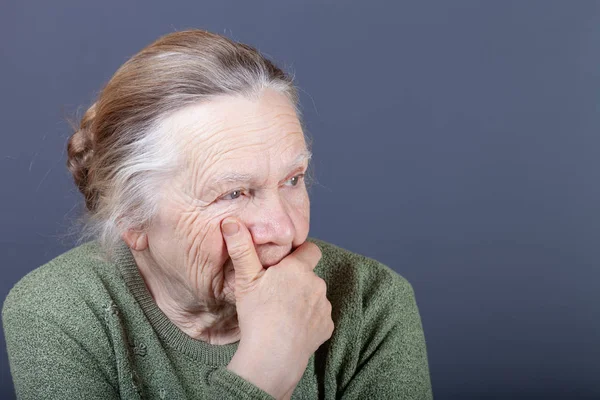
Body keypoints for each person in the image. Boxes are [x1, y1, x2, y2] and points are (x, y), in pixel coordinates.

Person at [2, 29, 433, 400]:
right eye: (234, 193)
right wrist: (264, 371)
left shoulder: (371, 299)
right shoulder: (60, 311)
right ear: (133, 218)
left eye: (293, 179)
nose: (284, 229)